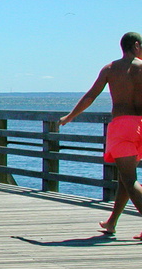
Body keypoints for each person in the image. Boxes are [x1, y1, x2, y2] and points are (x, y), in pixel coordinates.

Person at [60, 32, 142, 239]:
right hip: (141, 126)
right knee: (125, 177)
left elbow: (91, 96)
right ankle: (112, 221)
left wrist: (70, 117)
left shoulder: (110, 69)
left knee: (130, 178)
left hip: (123, 126)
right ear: (136, 45)